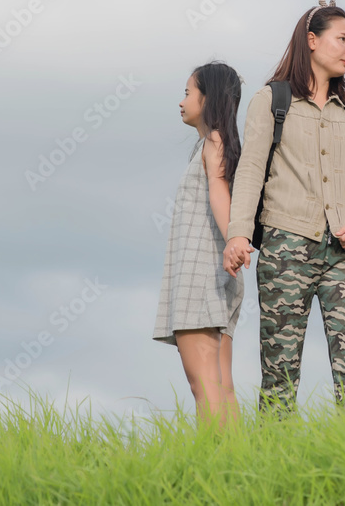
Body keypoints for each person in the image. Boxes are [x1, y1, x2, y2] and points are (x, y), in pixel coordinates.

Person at [222, 0, 345, 414]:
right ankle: (274, 470)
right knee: (279, 374)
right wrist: (239, 235)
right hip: (286, 249)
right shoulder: (270, 100)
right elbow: (251, 173)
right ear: (312, 41)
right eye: (342, 39)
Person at [153, 61, 245, 428]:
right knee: (221, 387)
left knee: (203, 386)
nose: (182, 101)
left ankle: (217, 466)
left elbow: (219, 194)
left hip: (200, 275)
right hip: (218, 275)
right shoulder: (216, 143)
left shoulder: (214, 141)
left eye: (188, 92)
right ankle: (237, 464)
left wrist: (232, 242)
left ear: (208, 98)